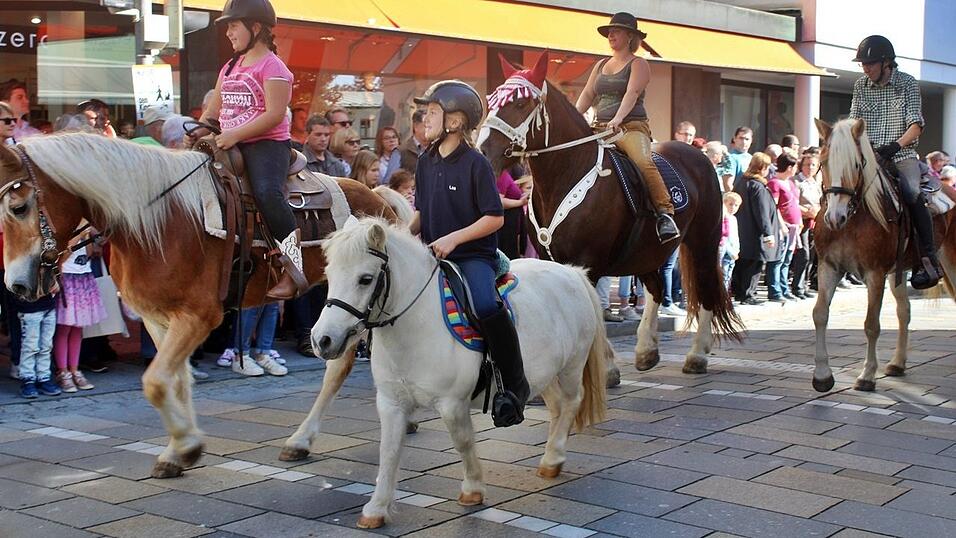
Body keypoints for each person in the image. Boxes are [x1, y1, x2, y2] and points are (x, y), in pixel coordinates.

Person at [409, 79, 528, 427]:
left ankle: (513, 387)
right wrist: (400, 236)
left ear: (456, 122)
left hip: (472, 257)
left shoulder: (476, 163)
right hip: (432, 254)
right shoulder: (424, 161)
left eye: (432, 112)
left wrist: (455, 239)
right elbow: (422, 212)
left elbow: (494, 217)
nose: (424, 118)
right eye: (424, 112)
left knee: (485, 305)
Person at [190, 0, 305, 300]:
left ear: (256, 28)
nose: (228, 32)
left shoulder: (274, 67)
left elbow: (274, 115)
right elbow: (213, 111)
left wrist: (233, 135)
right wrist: (197, 132)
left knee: (268, 193)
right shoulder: (229, 66)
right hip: (229, 141)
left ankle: (293, 268)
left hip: (266, 146)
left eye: (233, 25)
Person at [575, 12, 678, 243]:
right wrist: (574, 117)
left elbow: (631, 94)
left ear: (630, 36)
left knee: (644, 162)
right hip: (599, 128)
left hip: (630, 127)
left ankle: (665, 214)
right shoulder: (600, 64)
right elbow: (587, 94)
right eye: (609, 32)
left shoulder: (639, 63)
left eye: (617, 31)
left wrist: (617, 120)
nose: (611, 35)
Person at [850, 35, 937, 289]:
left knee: (911, 192)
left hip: (901, 154)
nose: (865, 68)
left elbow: (916, 123)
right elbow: (855, 121)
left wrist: (895, 145)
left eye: (870, 63)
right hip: (869, 155)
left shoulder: (907, 83)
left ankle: (927, 259)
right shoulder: (860, 85)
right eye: (863, 64)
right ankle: (837, 252)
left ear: (886, 62)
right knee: (843, 189)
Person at [54, 231, 105, 393]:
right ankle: (63, 371)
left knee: (78, 328)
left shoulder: (84, 230)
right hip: (68, 278)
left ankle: (75, 369)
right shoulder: (66, 228)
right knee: (65, 328)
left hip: (83, 276)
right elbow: (63, 251)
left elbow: (89, 253)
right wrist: (80, 233)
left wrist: (88, 237)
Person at [731, 152, 782, 305]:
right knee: (754, 264)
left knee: (742, 264)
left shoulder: (741, 181)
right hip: (755, 233)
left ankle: (740, 293)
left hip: (742, 230)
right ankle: (748, 294)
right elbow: (762, 212)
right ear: (762, 168)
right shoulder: (757, 186)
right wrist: (768, 234)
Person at [12, 286, 60, 399]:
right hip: (29, 306)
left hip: (48, 304)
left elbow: (55, 270)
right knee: (30, 345)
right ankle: (28, 378)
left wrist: (56, 281)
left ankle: (43, 377)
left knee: (46, 345)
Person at [766, 152, 801, 302]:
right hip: (783, 227)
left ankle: (784, 288)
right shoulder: (774, 183)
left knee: (787, 259)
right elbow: (774, 205)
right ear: (789, 167)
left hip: (794, 227)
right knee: (778, 259)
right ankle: (775, 291)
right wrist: (781, 225)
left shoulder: (791, 183)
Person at [792, 151, 822, 298]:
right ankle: (797, 286)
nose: (810, 167)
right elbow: (792, 203)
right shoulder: (797, 182)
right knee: (802, 254)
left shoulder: (815, 183)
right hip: (801, 222)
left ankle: (804, 285)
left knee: (811, 255)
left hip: (814, 222)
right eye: (807, 164)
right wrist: (806, 211)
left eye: (813, 165)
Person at [495, 164, 530, 259]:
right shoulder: (501, 175)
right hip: (506, 225)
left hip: (511, 224)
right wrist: (520, 202)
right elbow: (498, 202)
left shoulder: (504, 174)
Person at [720, 192, 742, 291]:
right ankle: (721, 296)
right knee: (723, 273)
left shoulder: (734, 218)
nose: (733, 207)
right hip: (725, 250)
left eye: (736, 205)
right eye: (730, 204)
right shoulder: (723, 218)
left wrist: (737, 250)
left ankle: (725, 295)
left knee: (728, 274)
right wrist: (731, 251)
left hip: (733, 251)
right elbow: (724, 236)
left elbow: (735, 237)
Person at [722, 126, 754, 192]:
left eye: (747, 139)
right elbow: (728, 185)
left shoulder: (752, 158)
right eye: (741, 138)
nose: (744, 142)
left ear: (751, 141)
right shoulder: (729, 158)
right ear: (734, 139)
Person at [400, 109, 428, 173]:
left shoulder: (437, 149)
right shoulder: (401, 151)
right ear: (416, 126)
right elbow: (391, 179)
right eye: (426, 125)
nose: (430, 128)